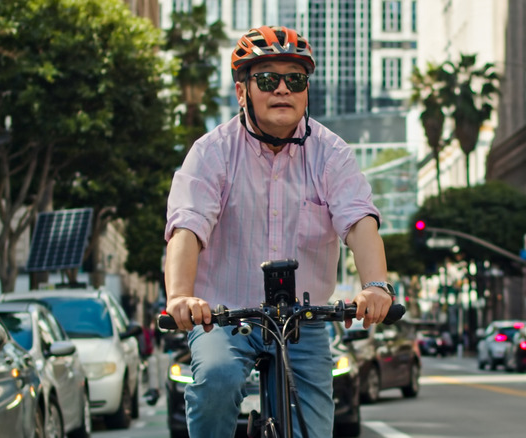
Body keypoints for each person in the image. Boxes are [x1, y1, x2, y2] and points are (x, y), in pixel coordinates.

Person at [163, 25, 393, 438]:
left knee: (314, 429)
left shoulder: (332, 153)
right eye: (268, 80)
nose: (283, 89)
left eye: (295, 80)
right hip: (223, 319)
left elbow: (359, 221)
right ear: (243, 92)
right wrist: (180, 297)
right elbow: (188, 227)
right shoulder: (212, 152)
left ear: (306, 91)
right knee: (216, 378)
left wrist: (376, 286)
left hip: (304, 321)